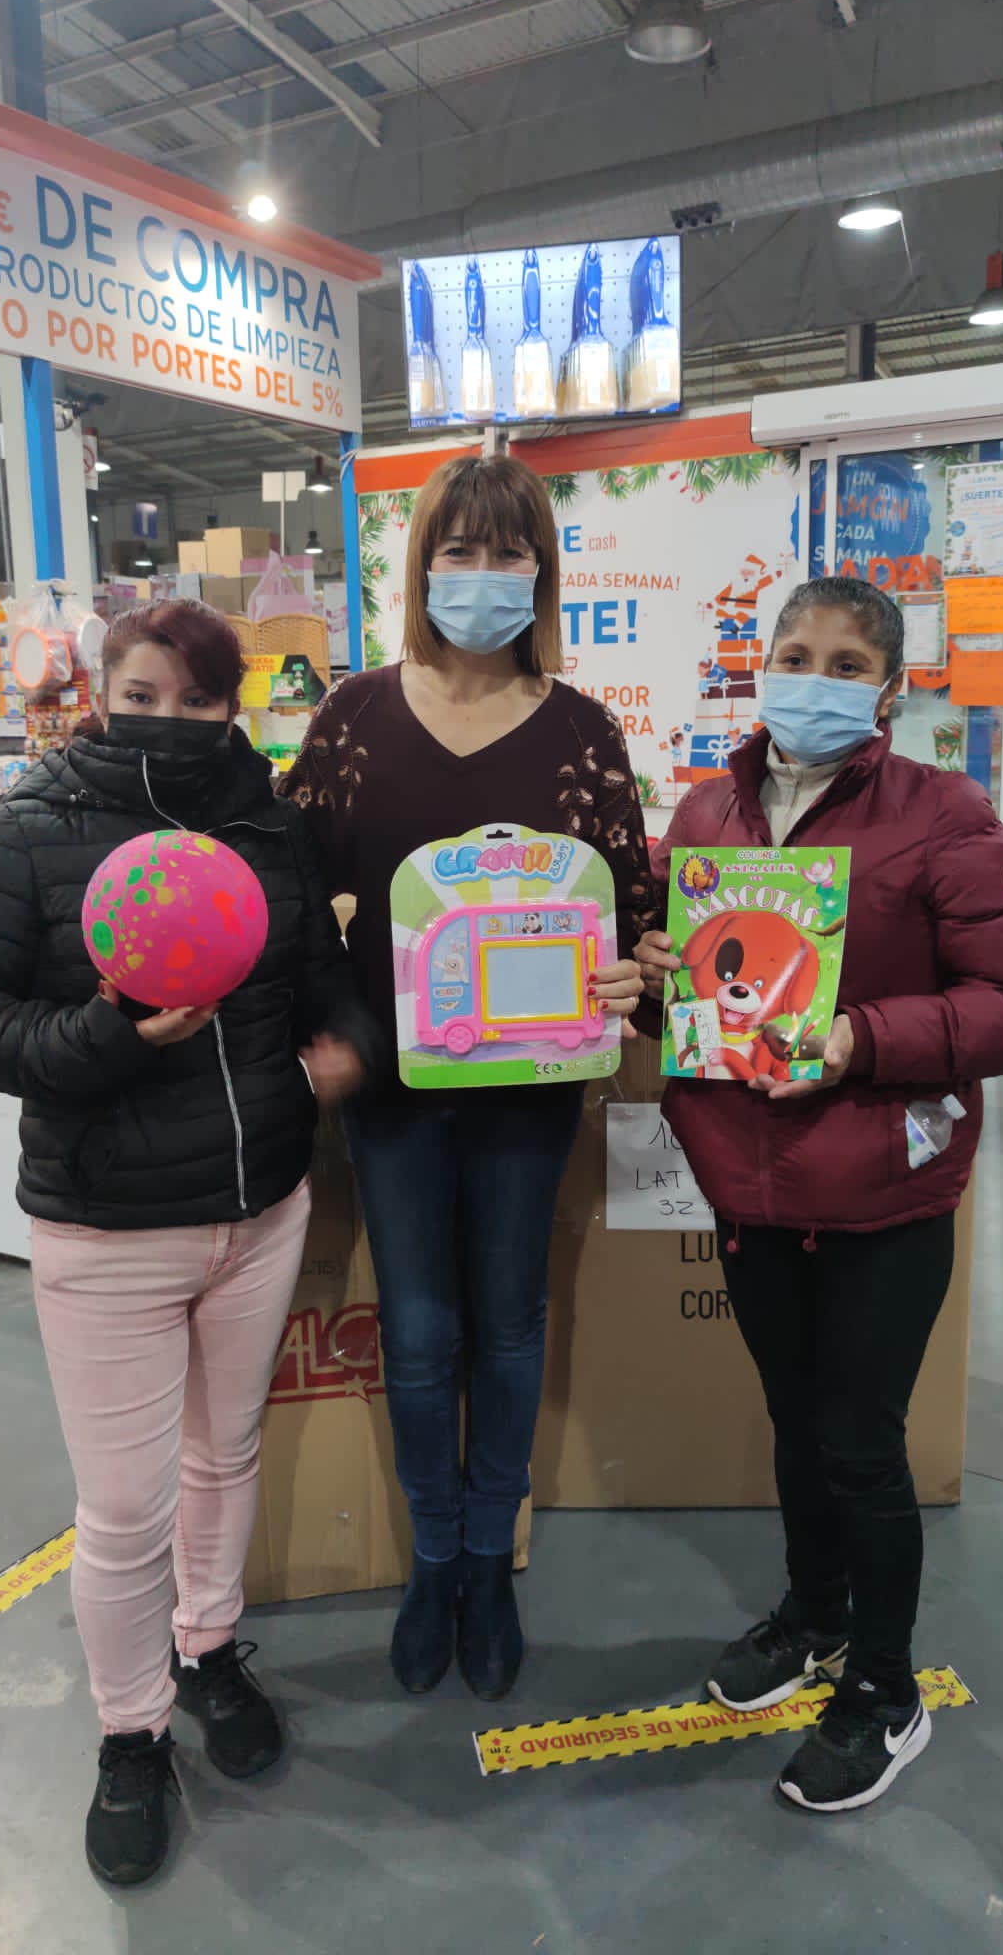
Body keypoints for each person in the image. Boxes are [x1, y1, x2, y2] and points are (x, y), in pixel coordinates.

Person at [0, 601, 374, 1887]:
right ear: (102, 692)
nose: (171, 718)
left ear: (235, 706)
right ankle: (130, 1731)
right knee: (124, 1507)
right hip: (106, 1224)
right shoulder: (28, 831)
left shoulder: (269, 826)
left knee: (225, 1454)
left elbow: (320, 968)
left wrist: (344, 1041)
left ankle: (208, 1646)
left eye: (199, 698)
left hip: (260, 1204)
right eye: (143, 693)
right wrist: (107, 1033)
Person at [637, 576, 1003, 1815]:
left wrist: (860, 1038)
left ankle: (884, 1685)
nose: (810, 680)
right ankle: (814, 1614)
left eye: (842, 663)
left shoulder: (944, 812)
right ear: (760, 662)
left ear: (888, 688)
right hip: (747, 1181)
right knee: (794, 1418)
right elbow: (701, 997)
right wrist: (657, 972)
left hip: (882, 1186)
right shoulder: (709, 807)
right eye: (793, 654)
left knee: (861, 1442)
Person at [284, 454, 654, 1702]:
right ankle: (431, 1556)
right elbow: (294, 894)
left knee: (507, 1324)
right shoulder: (354, 716)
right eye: (459, 550)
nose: (483, 575)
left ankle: (490, 1557)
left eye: (508, 552)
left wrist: (633, 972)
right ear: (422, 566)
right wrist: (334, 1025)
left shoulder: (583, 731)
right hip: (392, 1089)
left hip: (530, 1090)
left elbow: (634, 908)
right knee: (419, 1329)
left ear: (540, 570)